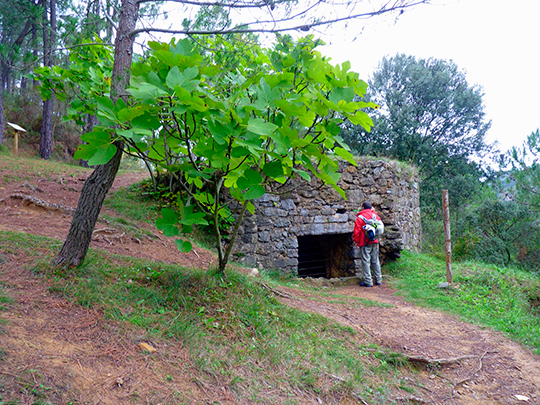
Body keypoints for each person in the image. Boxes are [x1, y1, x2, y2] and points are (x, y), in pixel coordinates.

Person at [353, 201, 382, 287]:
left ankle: (368, 281)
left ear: (362, 207)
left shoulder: (360, 218)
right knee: (375, 260)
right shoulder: (375, 216)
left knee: (365, 261)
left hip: (364, 242)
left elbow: (356, 232)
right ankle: (378, 279)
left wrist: (356, 241)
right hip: (375, 241)